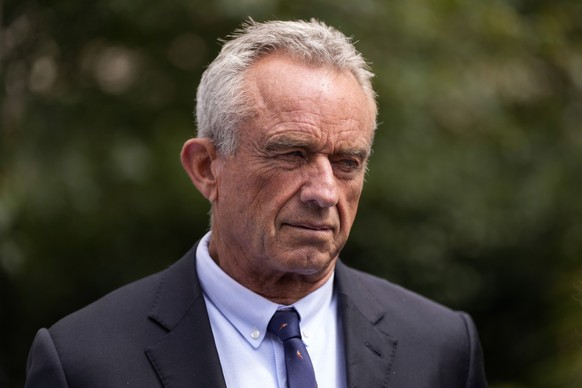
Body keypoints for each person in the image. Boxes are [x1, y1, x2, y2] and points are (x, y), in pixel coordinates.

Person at [24, 19, 487, 387]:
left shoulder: (439, 346)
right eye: (292, 154)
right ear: (206, 167)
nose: (324, 191)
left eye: (347, 162)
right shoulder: (83, 362)